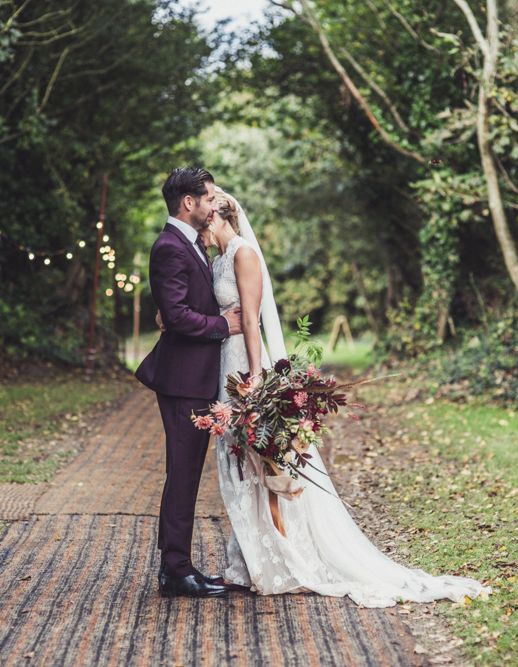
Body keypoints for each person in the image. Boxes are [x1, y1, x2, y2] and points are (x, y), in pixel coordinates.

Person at [207, 188, 487, 607]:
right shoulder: (217, 260)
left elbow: (251, 319)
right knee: (238, 464)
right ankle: (249, 559)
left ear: (217, 215)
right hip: (222, 364)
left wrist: (254, 377)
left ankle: (282, 557)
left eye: (204, 213)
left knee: (260, 462)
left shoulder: (245, 254)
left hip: (245, 366)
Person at [136, 167, 242, 598]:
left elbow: (178, 306)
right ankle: (174, 571)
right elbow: (177, 316)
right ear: (189, 202)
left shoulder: (189, 244)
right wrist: (222, 324)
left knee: (186, 475)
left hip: (195, 378)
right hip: (182, 381)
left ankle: (180, 565)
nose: (215, 203)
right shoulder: (169, 247)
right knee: (182, 475)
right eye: (210, 197)